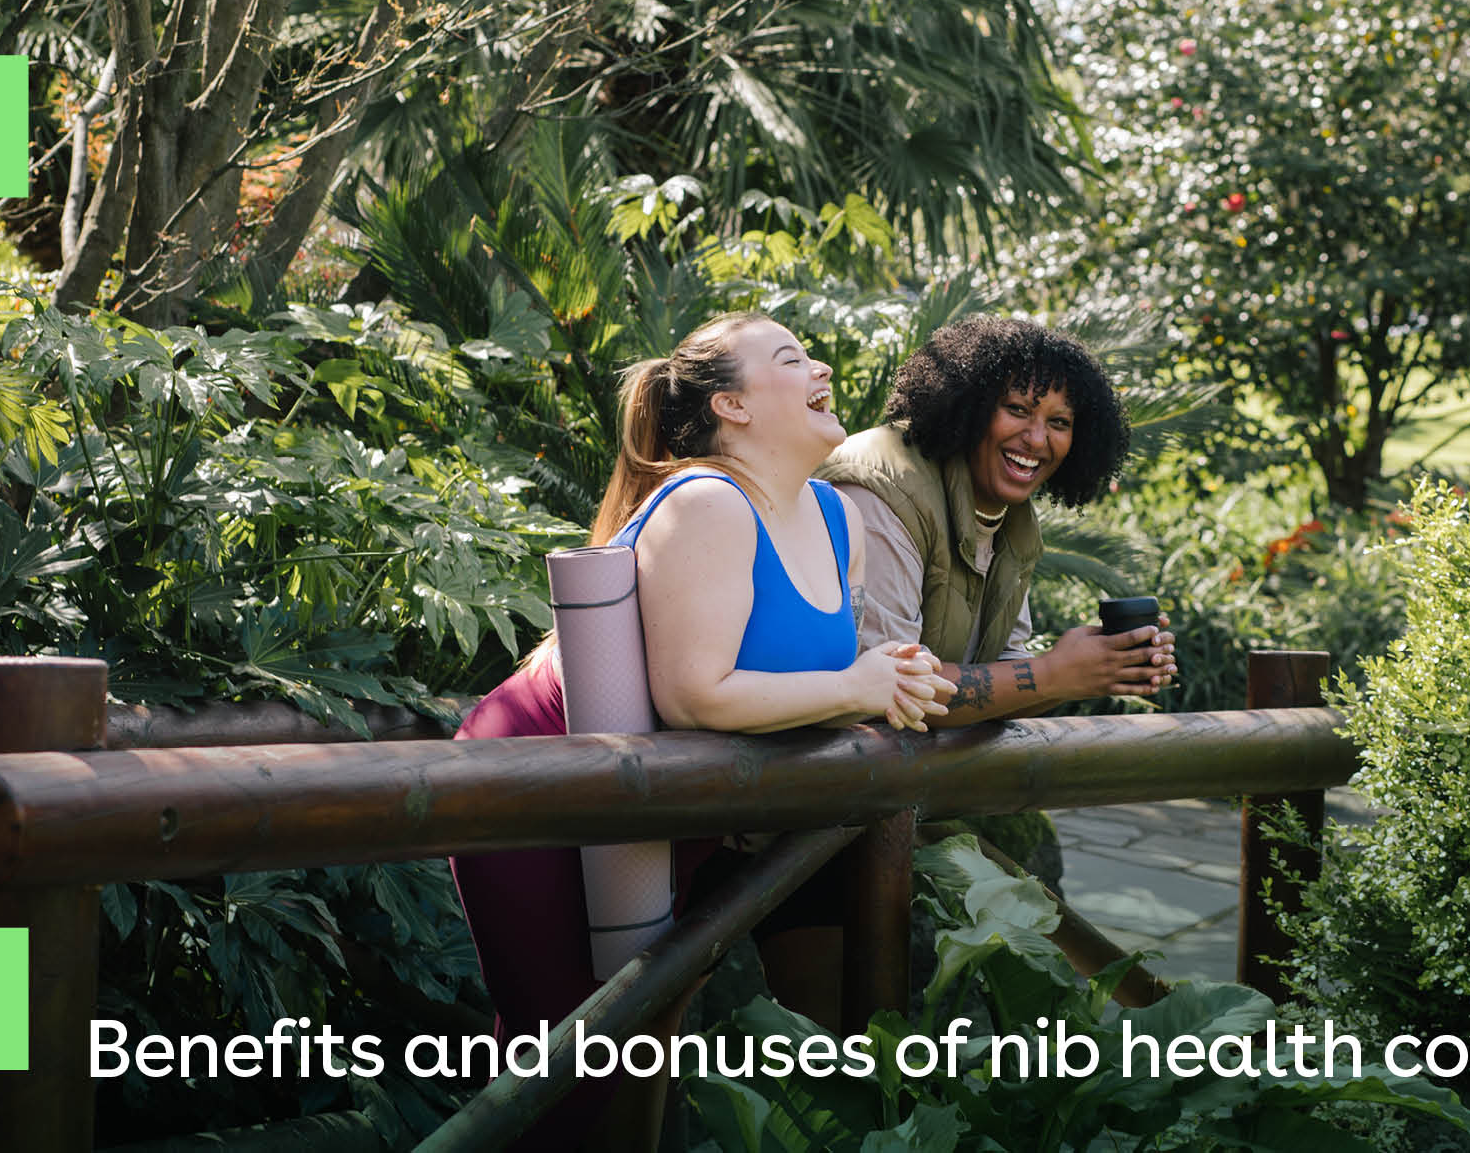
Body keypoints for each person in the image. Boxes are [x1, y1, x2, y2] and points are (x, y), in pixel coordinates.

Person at [450, 311, 953, 1151]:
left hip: (669, 802)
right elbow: (696, 695)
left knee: (643, 1043)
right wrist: (855, 683)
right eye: (791, 357)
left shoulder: (839, 520)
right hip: (538, 778)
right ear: (734, 407)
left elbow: (810, 683)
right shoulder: (709, 502)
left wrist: (890, 679)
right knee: (566, 1063)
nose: (820, 365)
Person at [815, 316, 1177, 725]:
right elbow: (891, 690)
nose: (1037, 439)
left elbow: (1003, 679)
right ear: (970, 407)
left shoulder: (1009, 515)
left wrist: (1094, 669)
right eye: (1018, 410)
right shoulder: (882, 487)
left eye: (1059, 423)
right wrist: (1053, 674)